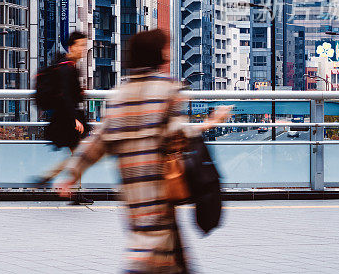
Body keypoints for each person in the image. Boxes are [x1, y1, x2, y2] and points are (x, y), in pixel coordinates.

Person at [57, 29, 232, 274]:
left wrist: (73, 173)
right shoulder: (168, 90)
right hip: (159, 187)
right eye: (165, 50)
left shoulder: (120, 95)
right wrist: (212, 121)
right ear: (157, 55)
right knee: (151, 255)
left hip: (132, 191)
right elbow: (179, 134)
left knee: (163, 251)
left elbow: (100, 140)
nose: (168, 56)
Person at [35, 31, 92, 205]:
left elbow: (70, 94)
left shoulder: (67, 65)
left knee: (78, 156)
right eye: (80, 46)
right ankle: (54, 179)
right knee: (80, 156)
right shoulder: (67, 68)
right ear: (71, 47)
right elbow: (65, 95)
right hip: (68, 119)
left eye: (85, 45)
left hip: (66, 117)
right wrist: (74, 119)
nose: (83, 49)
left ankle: (68, 188)